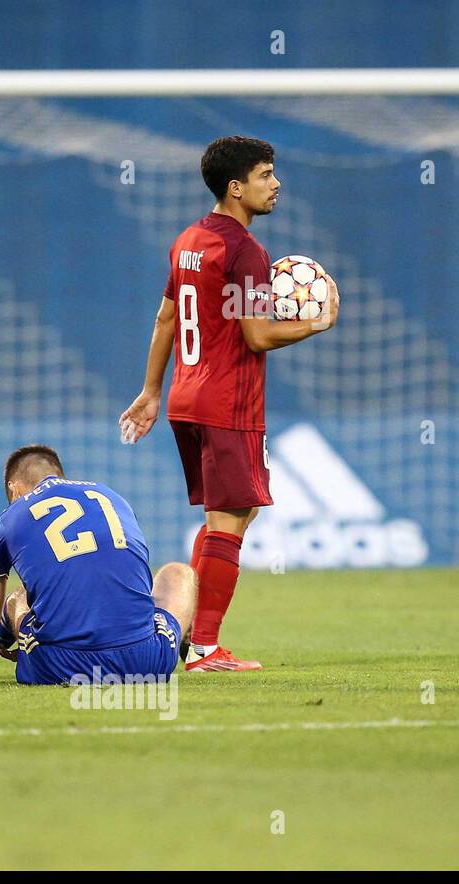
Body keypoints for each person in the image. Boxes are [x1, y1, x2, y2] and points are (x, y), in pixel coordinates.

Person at [118, 136, 340, 671]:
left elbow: (166, 318)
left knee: (222, 521)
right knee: (230, 524)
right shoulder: (246, 252)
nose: (276, 183)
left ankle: (183, 633)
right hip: (228, 404)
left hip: (186, 399)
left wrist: (152, 391)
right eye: (265, 174)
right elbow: (258, 335)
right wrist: (316, 322)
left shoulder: (189, 239)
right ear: (235, 187)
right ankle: (203, 648)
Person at [0, 445, 196, 686]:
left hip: (62, 666)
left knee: (17, 599)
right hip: (147, 662)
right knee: (178, 573)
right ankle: (190, 643)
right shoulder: (111, 497)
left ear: (13, 487)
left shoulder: (6, 522)